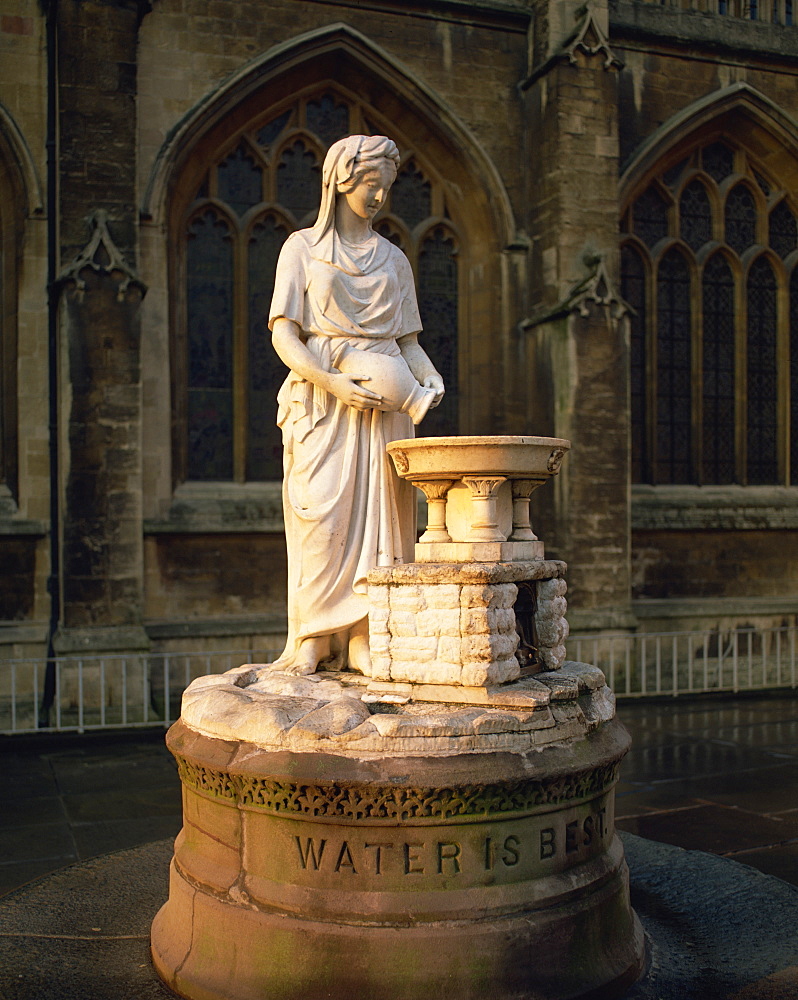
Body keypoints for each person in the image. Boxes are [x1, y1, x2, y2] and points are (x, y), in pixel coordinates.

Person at [268, 135, 444, 676]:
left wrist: (431, 376)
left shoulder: (393, 259)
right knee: (321, 518)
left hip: (385, 405)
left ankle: (368, 633)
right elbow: (284, 335)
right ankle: (315, 638)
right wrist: (333, 382)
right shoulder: (301, 248)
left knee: (384, 525)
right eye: (372, 186)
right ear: (342, 180)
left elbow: (408, 342)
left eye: (386, 189)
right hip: (324, 401)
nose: (379, 198)